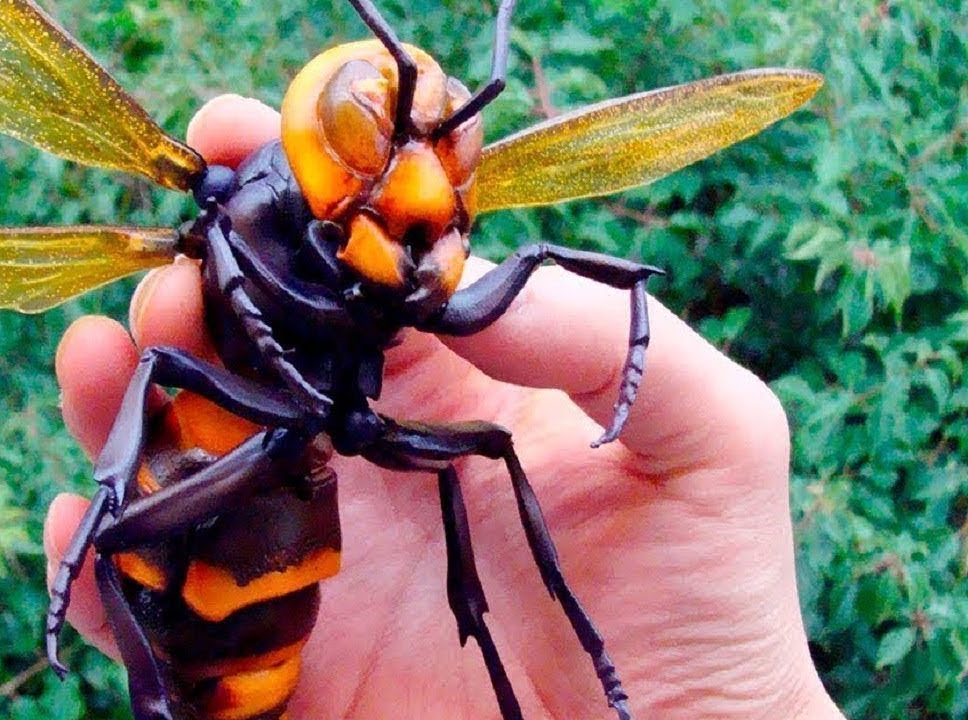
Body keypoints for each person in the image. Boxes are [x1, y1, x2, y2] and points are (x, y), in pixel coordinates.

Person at [43, 94, 845, 719]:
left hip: (276, 507)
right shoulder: (258, 196)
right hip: (214, 484)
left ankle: (513, 630)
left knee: (483, 446)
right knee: (144, 402)